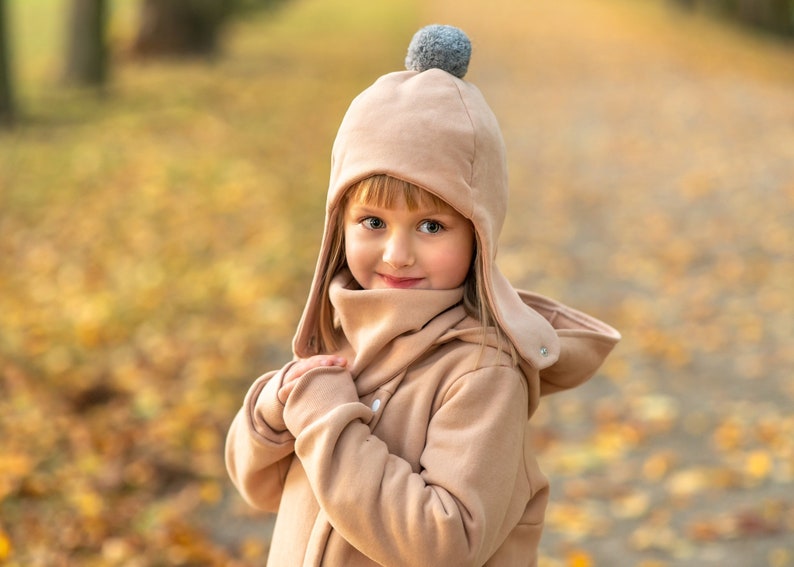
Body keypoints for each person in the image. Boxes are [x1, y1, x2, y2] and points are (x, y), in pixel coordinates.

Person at [225, 24, 620, 566]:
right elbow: (263, 491)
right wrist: (271, 411)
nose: (397, 254)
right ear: (338, 225)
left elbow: (443, 545)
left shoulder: (482, 375)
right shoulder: (343, 332)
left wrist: (324, 417)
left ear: (478, 236)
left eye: (431, 226)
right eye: (371, 221)